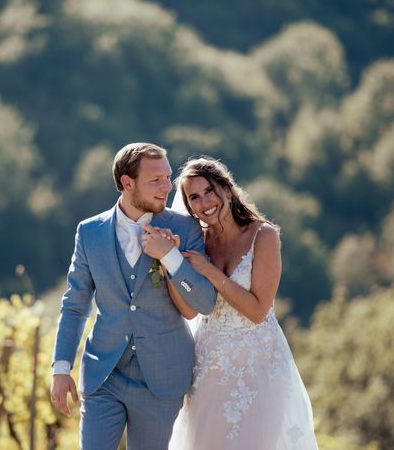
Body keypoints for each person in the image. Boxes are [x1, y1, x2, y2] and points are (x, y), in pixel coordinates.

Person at [50, 143, 217, 450]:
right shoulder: (90, 232)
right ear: (128, 183)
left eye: (168, 177)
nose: (168, 187)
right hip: (104, 374)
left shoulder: (186, 228)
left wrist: (171, 257)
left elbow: (204, 302)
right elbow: (74, 306)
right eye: (156, 180)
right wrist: (61, 368)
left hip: (162, 378)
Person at [164, 156, 319, 449]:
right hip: (208, 367)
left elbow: (258, 311)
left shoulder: (264, 236)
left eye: (209, 190)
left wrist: (208, 271)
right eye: (193, 197)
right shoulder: (197, 242)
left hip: (257, 365)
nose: (204, 202)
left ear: (227, 189)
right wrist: (169, 263)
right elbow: (188, 310)